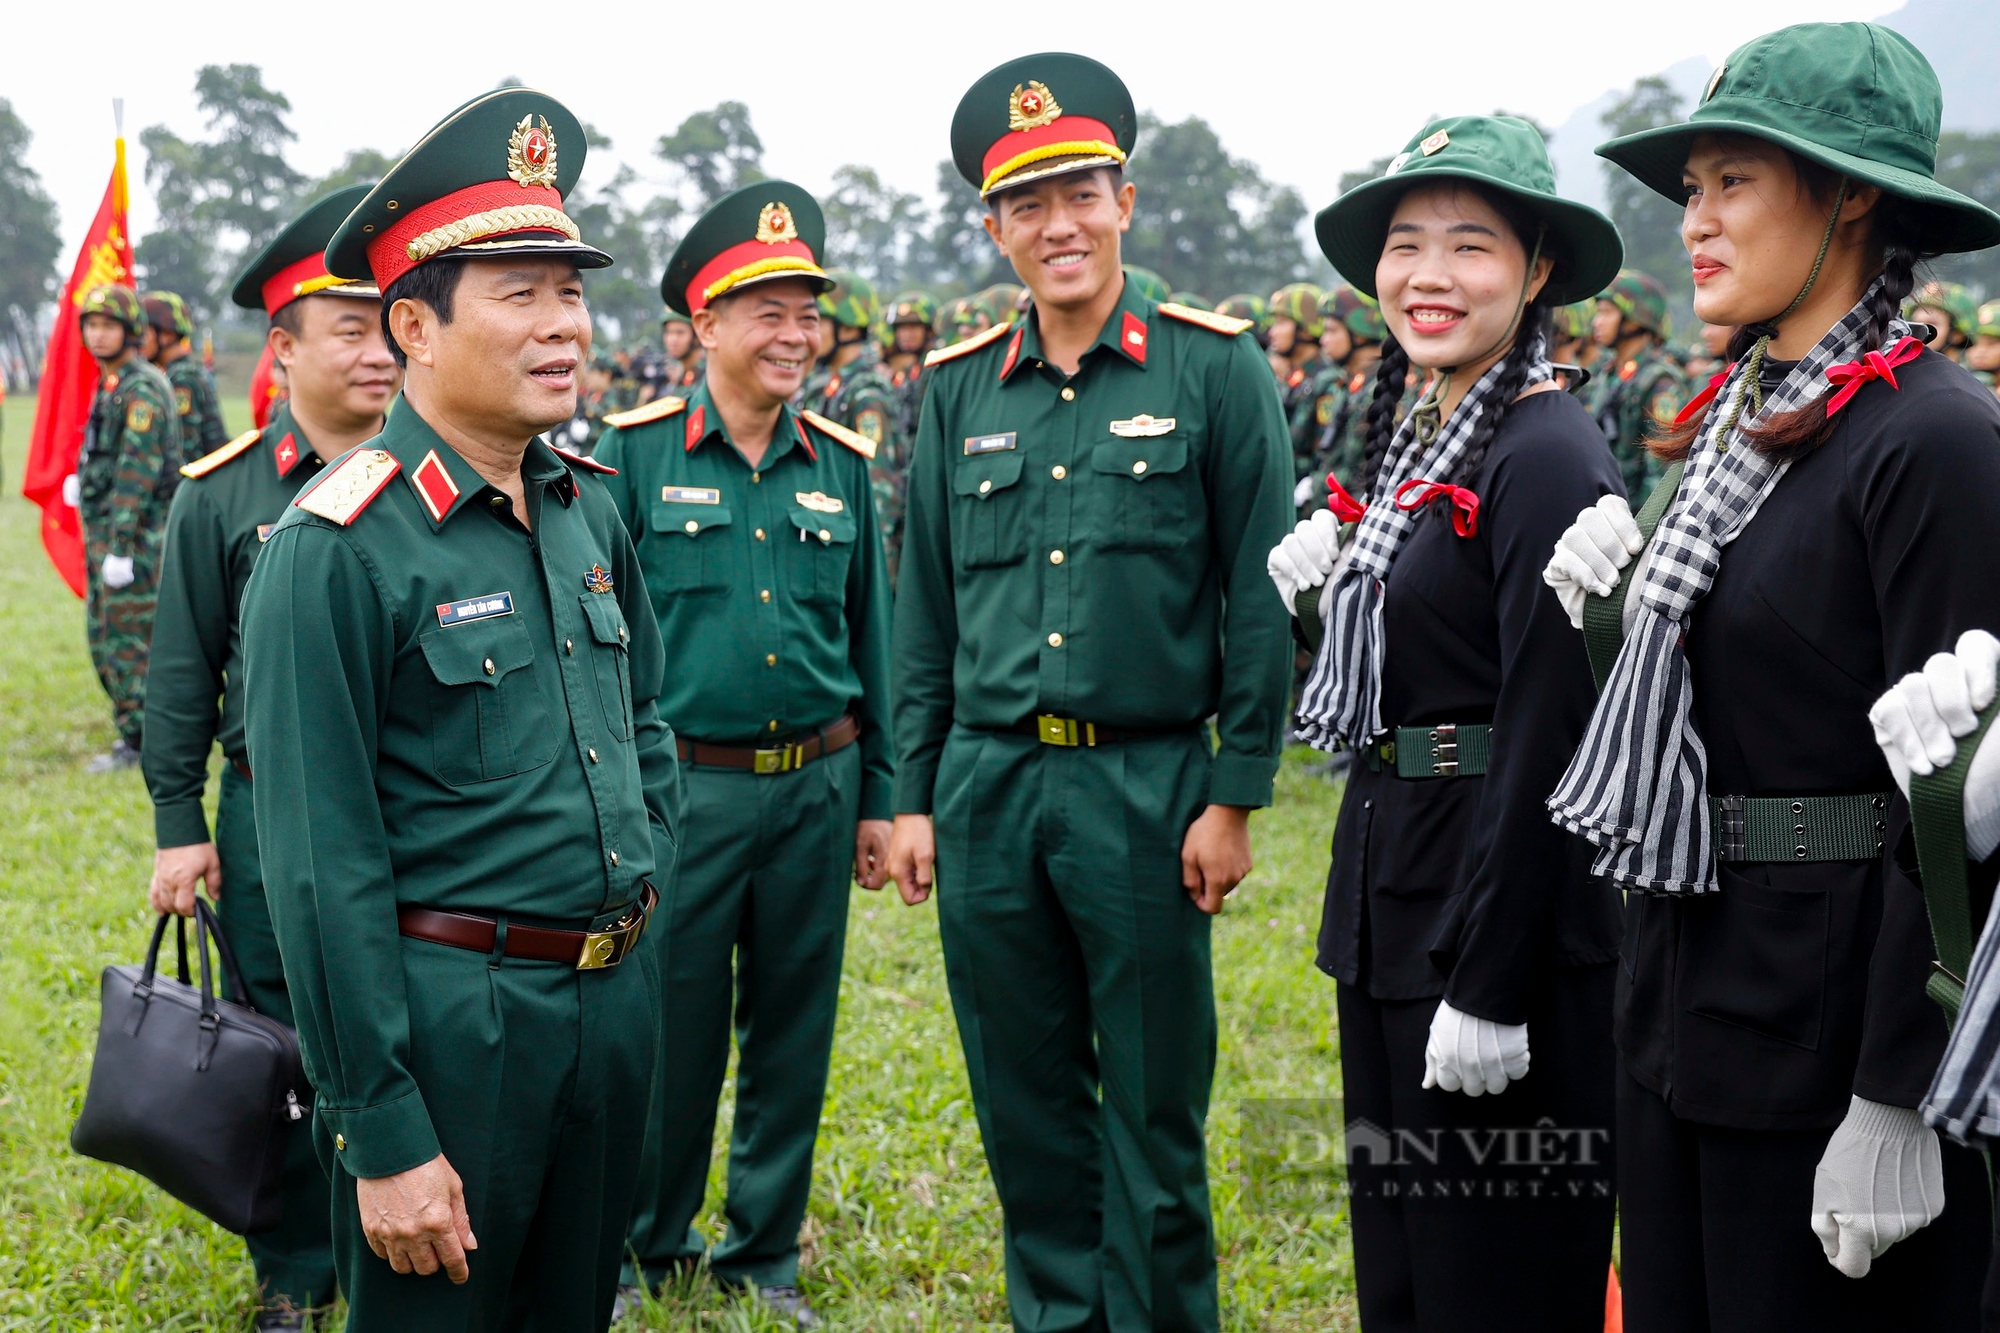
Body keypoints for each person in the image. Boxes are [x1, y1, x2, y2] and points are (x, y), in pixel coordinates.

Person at [1544, 22, 2000, 1329]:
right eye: (1691, 189)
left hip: (1829, 1037)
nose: (1695, 221)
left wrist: (1894, 1093)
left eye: (1732, 182)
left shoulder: (1932, 439)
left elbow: (1959, 796)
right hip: (1688, 1000)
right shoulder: (1750, 431)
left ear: (1851, 195)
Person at [239, 88, 680, 1332]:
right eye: (518, 294)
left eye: (572, 291)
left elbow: (645, 725)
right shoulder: (337, 547)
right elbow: (318, 868)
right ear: (415, 329)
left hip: (605, 1006)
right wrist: (380, 1129)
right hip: (450, 1031)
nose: (563, 327)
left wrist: (646, 900)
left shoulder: (588, 506)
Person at [885, 52, 1292, 1333]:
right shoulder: (953, 392)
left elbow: (1257, 595)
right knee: (1023, 1098)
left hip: (1146, 780)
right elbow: (923, 617)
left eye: (1079, 193)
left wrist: (1233, 795)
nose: (1056, 225)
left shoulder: (1213, 370)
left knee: (1156, 1105)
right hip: (992, 784)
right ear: (993, 228)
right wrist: (910, 796)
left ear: (1122, 200)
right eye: (1026, 204)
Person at [1269, 114, 1626, 1333]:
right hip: (1394, 902)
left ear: (1533, 274)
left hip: (1488, 934)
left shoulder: (1544, 450)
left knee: (1497, 1284)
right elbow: (1435, 677)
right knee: (1411, 1280)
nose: (1428, 274)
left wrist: (1494, 977)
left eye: (1468, 246)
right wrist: (1328, 612)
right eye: (1404, 243)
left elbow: (1553, 727)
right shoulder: (1429, 432)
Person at [595, 181, 892, 1330]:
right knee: (661, 1031)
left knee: (792, 1026)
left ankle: (764, 1251)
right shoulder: (627, 461)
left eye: (804, 311)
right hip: (684, 796)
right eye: (761, 309)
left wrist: (881, 798)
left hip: (817, 787)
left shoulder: (844, 466)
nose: (791, 334)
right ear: (702, 327)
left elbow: (878, 636)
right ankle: (642, 1245)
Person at [141, 183, 395, 1331]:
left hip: (412, 803)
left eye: (393, 322)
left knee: (404, 1023)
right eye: (350, 327)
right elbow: (180, 681)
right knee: (286, 1046)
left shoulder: (433, 477)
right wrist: (177, 828)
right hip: (271, 812)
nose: (381, 350)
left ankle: (397, 1235)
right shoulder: (223, 494)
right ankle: (295, 1268)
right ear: (282, 348)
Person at [75, 283, 180, 773]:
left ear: (130, 330)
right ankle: (132, 733)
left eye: (108, 325)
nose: (98, 335)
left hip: (136, 539)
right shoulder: (113, 382)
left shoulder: (141, 388)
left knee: (130, 641)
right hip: (109, 535)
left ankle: (144, 741)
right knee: (105, 636)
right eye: (91, 325)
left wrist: (120, 546)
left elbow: (136, 473)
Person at [801, 269, 906, 578]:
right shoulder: (826, 385)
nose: (808, 331)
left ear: (846, 328)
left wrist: (870, 573)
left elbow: (881, 491)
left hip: (854, 556)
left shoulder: (865, 394)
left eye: (817, 321)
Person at [1590, 269, 1687, 501]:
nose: (1596, 322)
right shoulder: (1610, 374)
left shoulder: (1660, 383)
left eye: (1606, 313)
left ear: (1635, 319)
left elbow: (1663, 471)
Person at [142, 290, 228, 458]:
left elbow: (185, 449)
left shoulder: (183, 378)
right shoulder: (178, 373)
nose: (137, 340)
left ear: (167, 335)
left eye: (144, 332)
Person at [1906, 278, 1975, 362]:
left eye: (1931, 324)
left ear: (1957, 335)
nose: (1919, 331)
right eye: (1915, 323)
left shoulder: (1971, 375)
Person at [663, 308, 704, 392]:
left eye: (680, 332)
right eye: (669, 332)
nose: (673, 340)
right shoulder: (679, 375)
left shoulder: (708, 373)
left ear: (696, 336)